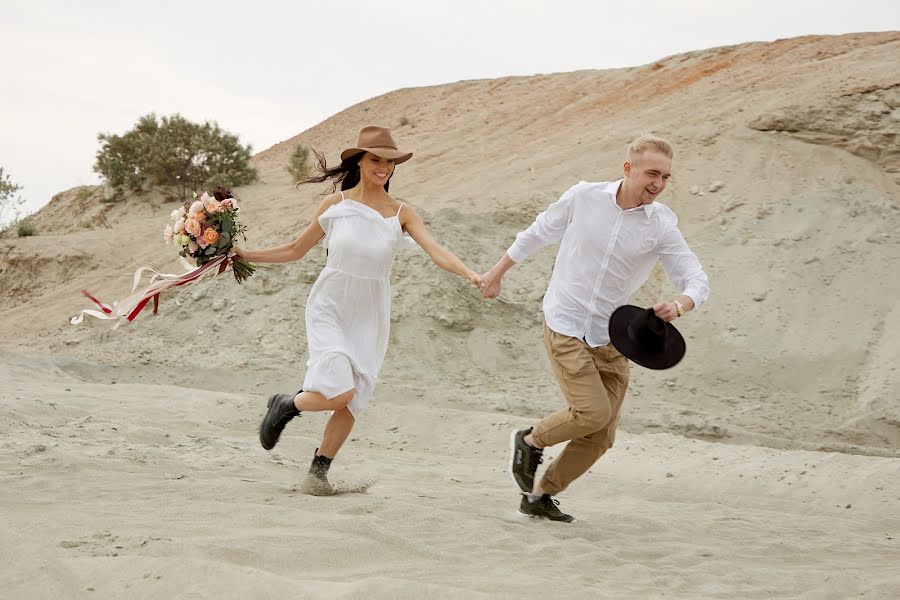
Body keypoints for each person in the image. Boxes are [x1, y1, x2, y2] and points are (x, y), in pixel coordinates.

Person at [232, 125, 483, 487]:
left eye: (389, 162)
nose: (383, 167)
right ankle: (287, 405)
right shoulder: (336, 205)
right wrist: (246, 254)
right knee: (339, 391)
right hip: (331, 302)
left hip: (371, 311)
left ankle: (318, 474)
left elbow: (436, 250)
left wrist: (472, 275)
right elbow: (294, 250)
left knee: (354, 399)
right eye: (375, 159)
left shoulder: (402, 213)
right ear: (360, 161)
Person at [480, 135, 710, 522]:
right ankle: (530, 439)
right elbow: (536, 233)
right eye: (652, 173)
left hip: (614, 337)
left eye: (666, 177)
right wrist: (496, 274)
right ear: (627, 168)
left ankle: (539, 496)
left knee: (601, 436)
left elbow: (696, 277)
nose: (658, 183)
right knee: (591, 412)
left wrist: (681, 304)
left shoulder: (661, 225)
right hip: (566, 323)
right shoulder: (583, 198)